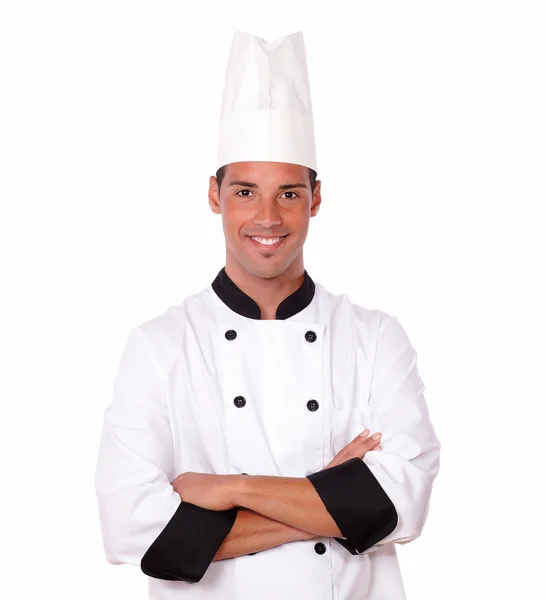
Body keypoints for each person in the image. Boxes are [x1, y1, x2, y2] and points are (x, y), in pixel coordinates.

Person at [95, 29, 441, 600]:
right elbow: (135, 531)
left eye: (288, 193)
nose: (267, 217)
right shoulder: (159, 347)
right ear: (214, 195)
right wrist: (331, 491)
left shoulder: (376, 339)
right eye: (245, 191)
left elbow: (398, 506)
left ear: (316, 198)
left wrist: (229, 487)